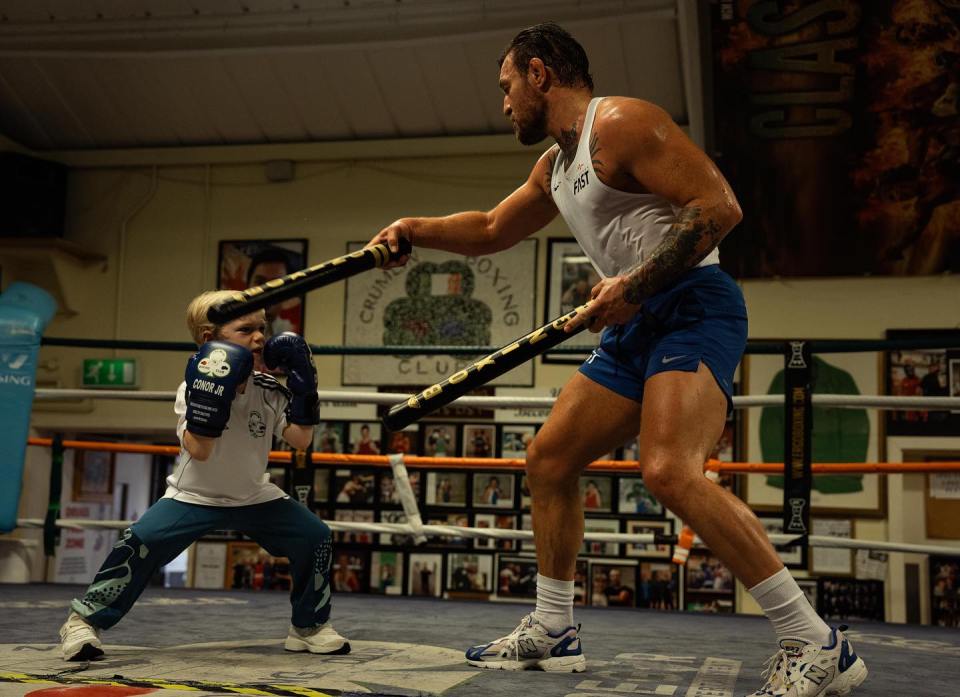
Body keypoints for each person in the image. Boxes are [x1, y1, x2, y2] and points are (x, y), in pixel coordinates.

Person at [366, 21, 866, 695]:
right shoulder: (555, 166)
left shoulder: (624, 124)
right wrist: (411, 230)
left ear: (540, 74)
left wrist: (633, 284)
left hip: (694, 305)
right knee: (548, 459)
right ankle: (554, 627)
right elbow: (489, 229)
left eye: (508, 86)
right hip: (636, 322)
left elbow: (720, 208)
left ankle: (816, 641)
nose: (505, 102)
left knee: (667, 471)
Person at [58, 290, 349, 661]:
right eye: (246, 329)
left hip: (252, 494)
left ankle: (308, 627)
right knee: (140, 542)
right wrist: (216, 394)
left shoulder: (269, 390)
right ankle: (82, 621)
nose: (260, 337)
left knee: (314, 536)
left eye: (262, 327)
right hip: (194, 495)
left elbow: (301, 441)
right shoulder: (192, 385)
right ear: (209, 339)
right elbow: (200, 450)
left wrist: (305, 389)